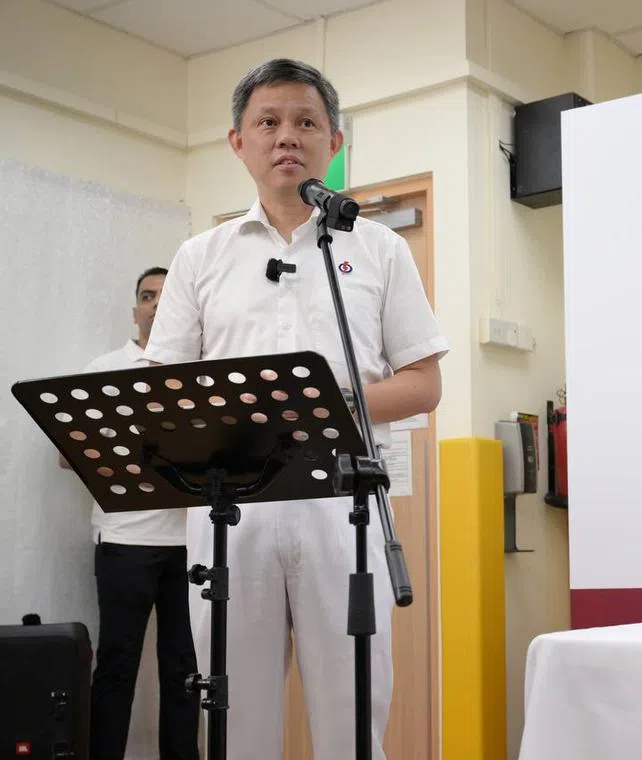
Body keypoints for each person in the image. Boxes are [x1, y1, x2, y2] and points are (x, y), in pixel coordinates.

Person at [142, 58, 448, 759]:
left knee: (350, 712)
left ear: (333, 143)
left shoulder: (379, 247)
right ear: (237, 142)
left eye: (306, 122)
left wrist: (320, 406)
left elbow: (423, 382)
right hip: (231, 512)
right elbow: (166, 387)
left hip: (343, 500)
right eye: (268, 122)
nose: (288, 136)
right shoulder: (200, 255)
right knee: (235, 718)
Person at [64, 267, 199, 760]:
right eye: (147, 296)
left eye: (166, 295)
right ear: (135, 310)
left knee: (186, 669)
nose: (157, 304)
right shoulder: (105, 367)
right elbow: (67, 451)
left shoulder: (202, 371)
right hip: (124, 540)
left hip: (191, 543)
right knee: (117, 665)